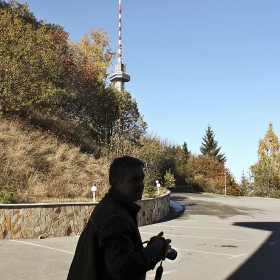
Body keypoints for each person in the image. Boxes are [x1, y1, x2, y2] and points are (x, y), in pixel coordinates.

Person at [67, 156, 171, 280]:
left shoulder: (110, 206)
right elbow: (123, 267)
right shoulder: (116, 217)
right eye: (134, 180)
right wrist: (154, 252)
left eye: (142, 179)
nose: (141, 185)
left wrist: (149, 249)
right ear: (116, 183)